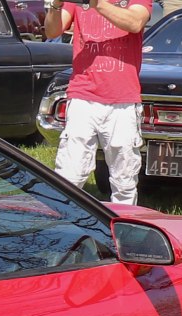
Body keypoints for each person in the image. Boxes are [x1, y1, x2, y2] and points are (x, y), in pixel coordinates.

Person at [45, 0, 152, 204]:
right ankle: (64, 225)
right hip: (82, 94)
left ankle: (123, 229)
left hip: (123, 98)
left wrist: (95, 4)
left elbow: (135, 23)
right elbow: (52, 32)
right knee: (69, 174)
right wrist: (56, 6)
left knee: (124, 179)